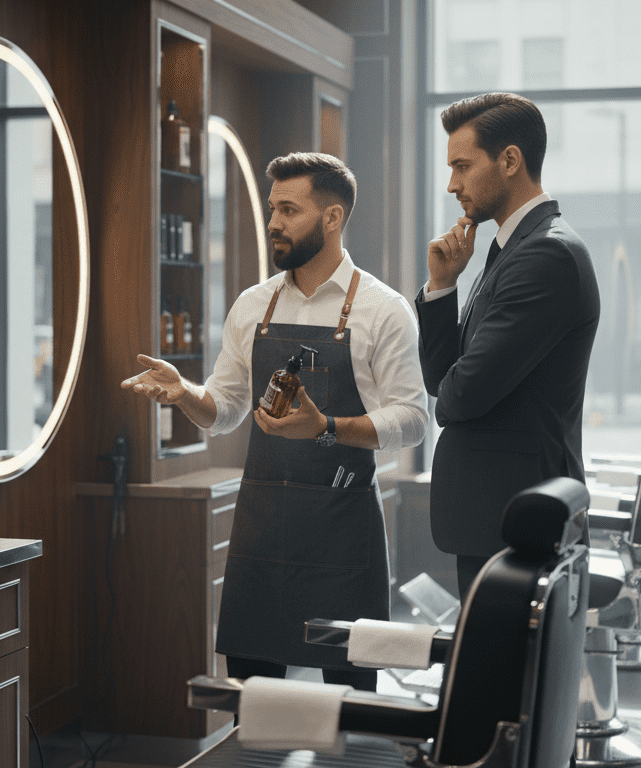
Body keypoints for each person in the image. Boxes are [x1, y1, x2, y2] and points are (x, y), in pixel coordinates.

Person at [122, 152, 427, 691]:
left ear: (332, 218)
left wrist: (326, 426)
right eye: (272, 209)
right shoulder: (251, 306)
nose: (273, 223)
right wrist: (185, 393)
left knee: (348, 703)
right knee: (251, 703)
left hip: (342, 531)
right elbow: (225, 410)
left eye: (289, 209)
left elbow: (412, 420)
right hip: (261, 530)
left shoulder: (383, 310)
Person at [416, 92, 600, 598]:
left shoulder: (545, 255)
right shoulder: (511, 250)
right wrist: (441, 288)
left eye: (462, 165)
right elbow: (441, 382)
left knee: (506, 675)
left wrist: (454, 387)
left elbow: (459, 397)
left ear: (511, 160)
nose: (452, 184)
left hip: (519, 518)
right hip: (499, 515)